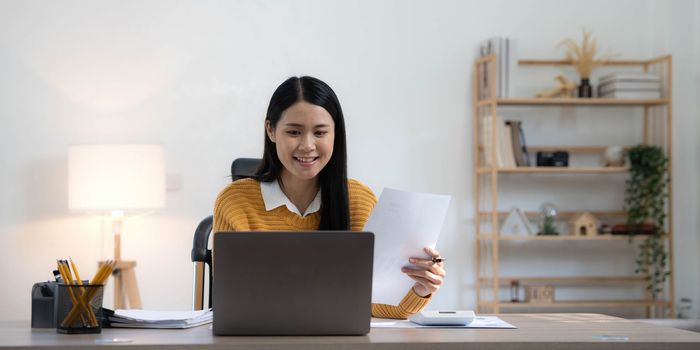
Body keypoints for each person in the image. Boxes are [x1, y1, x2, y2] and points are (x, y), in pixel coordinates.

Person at [213, 76, 446, 319]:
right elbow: (233, 301)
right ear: (271, 130)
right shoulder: (235, 202)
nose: (307, 145)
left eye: (320, 132)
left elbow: (375, 305)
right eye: (294, 132)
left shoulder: (358, 199)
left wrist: (419, 289)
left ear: (335, 133)